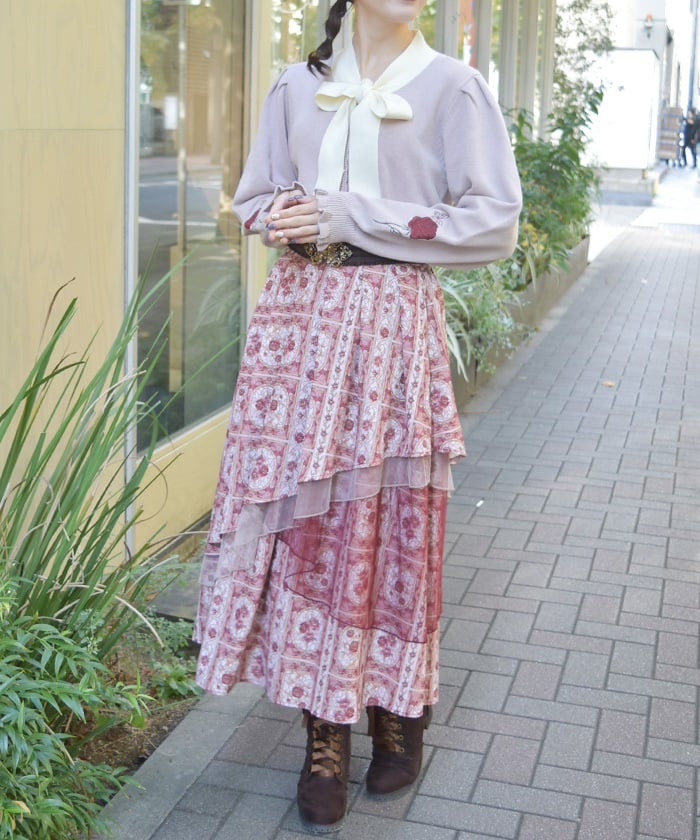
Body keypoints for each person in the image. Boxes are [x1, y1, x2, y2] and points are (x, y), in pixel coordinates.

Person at [194, 0, 521, 833]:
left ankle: (398, 709)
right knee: (312, 529)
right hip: (299, 329)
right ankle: (323, 733)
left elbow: (493, 222)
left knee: (386, 522)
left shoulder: (453, 89)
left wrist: (353, 216)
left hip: (390, 334)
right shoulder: (294, 88)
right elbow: (252, 198)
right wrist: (288, 220)